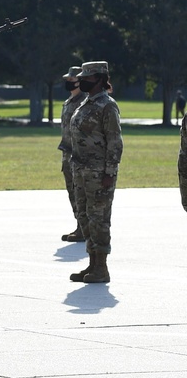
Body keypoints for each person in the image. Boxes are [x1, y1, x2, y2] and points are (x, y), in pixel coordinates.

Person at [68, 61, 123, 285]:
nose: (82, 81)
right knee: (84, 216)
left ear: (99, 79)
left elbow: (115, 141)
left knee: (99, 219)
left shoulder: (107, 105)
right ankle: (92, 263)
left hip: (99, 173)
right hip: (81, 171)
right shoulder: (86, 103)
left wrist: (109, 171)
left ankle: (101, 267)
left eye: (87, 77)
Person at [58, 65, 85, 242]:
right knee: (72, 191)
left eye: (72, 79)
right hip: (67, 152)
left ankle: (84, 228)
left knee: (81, 192)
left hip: (79, 155)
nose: (69, 82)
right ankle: (79, 226)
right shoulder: (69, 102)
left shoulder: (85, 102)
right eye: (67, 80)